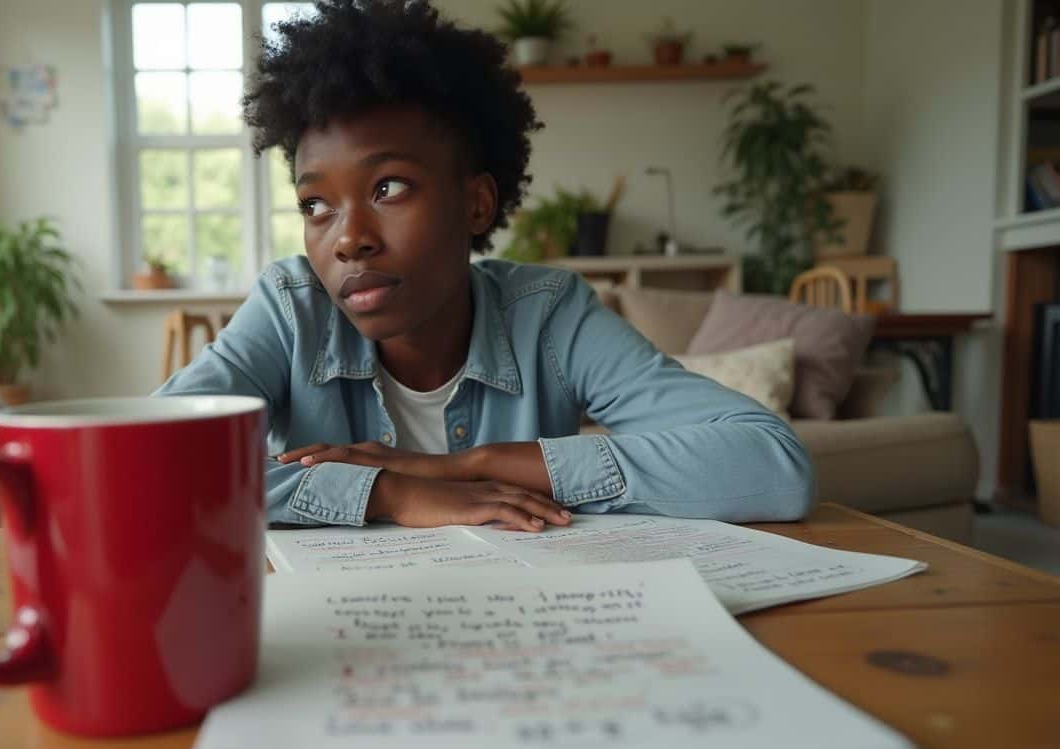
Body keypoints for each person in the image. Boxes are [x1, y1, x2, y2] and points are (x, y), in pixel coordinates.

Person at [156, 0, 813, 532]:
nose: (347, 239)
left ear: (475, 203)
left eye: (388, 188)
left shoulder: (548, 314)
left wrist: (467, 466)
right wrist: (391, 493)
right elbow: (146, 461)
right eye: (316, 204)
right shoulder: (290, 310)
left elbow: (771, 464)